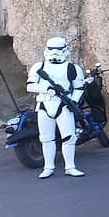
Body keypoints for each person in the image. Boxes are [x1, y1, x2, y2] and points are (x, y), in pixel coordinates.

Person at [26, 37, 86, 178]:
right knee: (46, 138)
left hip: (64, 105)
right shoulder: (38, 67)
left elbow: (79, 87)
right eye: (51, 49)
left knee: (69, 138)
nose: (55, 52)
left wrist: (73, 101)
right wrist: (47, 89)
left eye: (58, 49)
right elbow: (30, 86)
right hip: (45, 105)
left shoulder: (73, 68)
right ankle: (48, 167)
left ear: (65, 50)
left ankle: (70, 166)